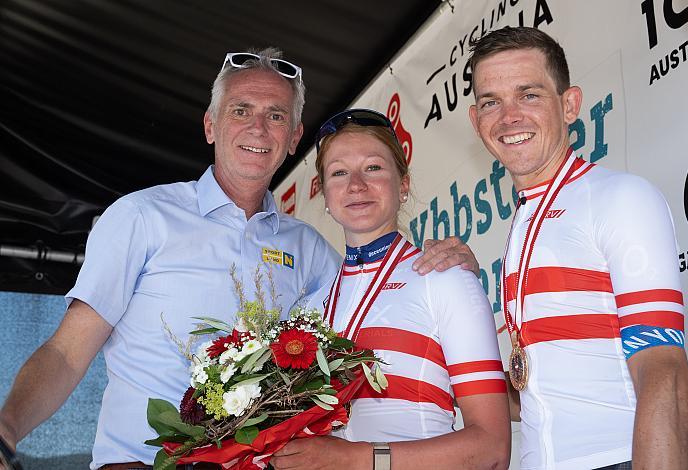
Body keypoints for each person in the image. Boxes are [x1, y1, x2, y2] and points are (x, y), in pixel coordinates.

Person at [0, 50, 478, 469]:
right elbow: (66, 352)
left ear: (293, 138)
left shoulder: (310, 249)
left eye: (275, 116)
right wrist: (6, 432)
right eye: (241, 110)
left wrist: (449, 263)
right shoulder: (141, 217)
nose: (257, 127)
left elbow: (383, 314)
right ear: (210, 125)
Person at [467, 26, 688, 469]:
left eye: (528, 94)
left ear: (569, 104)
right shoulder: (523, 223)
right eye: (491, 101)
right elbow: (542, 385)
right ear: (476, 121)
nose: (509, 116)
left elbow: (663, 369)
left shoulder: (620, 197)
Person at [269, 109, 511, 470]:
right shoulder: (308, 311)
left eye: (373, 168)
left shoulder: (445, 278)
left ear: (404, 184)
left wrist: (354, 459)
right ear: (326, 196)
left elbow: (492, 449)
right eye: (339, 173)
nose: (355, 185)